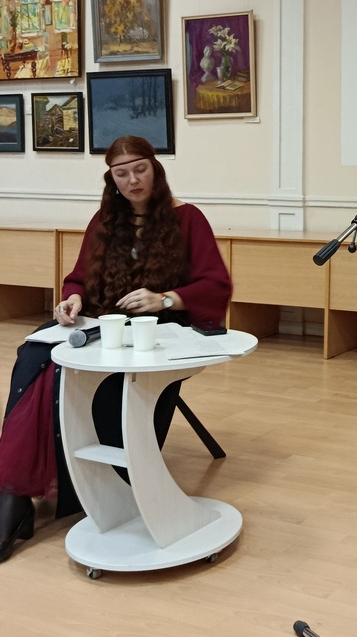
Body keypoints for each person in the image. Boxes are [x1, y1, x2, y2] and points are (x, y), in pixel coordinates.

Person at [0, 135, 232, 562]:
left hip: (160, 329)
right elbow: (78, 277)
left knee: (76, 372)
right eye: (121, 174)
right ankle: (14, 493)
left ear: (155, 170)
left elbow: (216, 285)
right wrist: (71, 299)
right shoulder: (104, 220)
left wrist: (165, 299)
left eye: (140, 169)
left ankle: (64, 482)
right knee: (34, 356)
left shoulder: (188, 218)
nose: (132, 180)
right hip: (103, 322)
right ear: (112, 180)